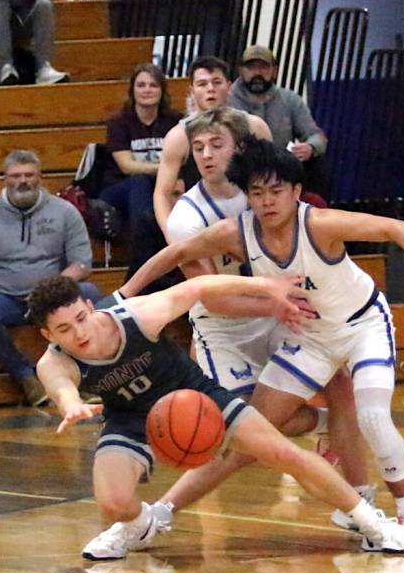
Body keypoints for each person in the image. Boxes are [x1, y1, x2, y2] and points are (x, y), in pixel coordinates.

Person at [123, 137, 404, 546]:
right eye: (257, 192)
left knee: (371, 415)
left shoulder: (320, 224)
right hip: (311, 337)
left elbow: (395, 227)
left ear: (296, 191)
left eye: (276, 190)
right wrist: (124, 296)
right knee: (248, 433)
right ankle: (160, 514)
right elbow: (177, 253)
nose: (267, 201)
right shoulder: (238, 232)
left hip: (362, 326)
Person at [30, 274, 404, 558]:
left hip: (195, 398)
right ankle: (138, 525)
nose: (79, 332)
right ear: (49, 335)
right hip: (130, 418)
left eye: (81, 318)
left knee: (284, 454)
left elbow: (198, 287)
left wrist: (267, 287)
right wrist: (71, 405)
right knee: (113, 501)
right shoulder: (52, 362)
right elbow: (60, 386)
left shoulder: (136, 317)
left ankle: (372, 523)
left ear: (88, 307)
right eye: (64, 329)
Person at [128, 108, 371, 527]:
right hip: (224, 327)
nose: (205, 154)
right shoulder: (188, 217)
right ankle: (325, 429)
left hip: (276, 313)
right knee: (244, 431)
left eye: (216, 145)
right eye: (198, 147)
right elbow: (212, 298)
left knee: (340, 382)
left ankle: (360, 502)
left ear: (238, 148)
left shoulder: (263, 191)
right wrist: (274, 301)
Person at [0, 149, 99, 407]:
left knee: (92, 295)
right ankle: (26, 378)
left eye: (29, 175)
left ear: (40, 177)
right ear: (5, 179)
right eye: (16, 175)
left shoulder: (65, 211)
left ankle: (83, 377)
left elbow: (82, 263)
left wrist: (52, 289)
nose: (23, 181)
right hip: (4, 297)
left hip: (53, 298)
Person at [152, 56, 271, 236]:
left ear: (229, 87)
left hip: (250, 214)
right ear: (192, 91)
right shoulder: (178, 136)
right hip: (202, 218)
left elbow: (275, 177)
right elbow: (161, 193)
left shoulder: (254, 126)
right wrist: (171, 235)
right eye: (202, 84)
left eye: (217, 82)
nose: (210, 89)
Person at [227, 44, 328, 194]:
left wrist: (310, 147)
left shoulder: (290, 99)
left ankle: (310, 213)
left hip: (282, 170)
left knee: (317, 164)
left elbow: (316, 135)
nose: (257, 73)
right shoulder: (228, 100)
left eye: (263, 67)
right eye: (251, 68)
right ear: (241, 71)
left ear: (275, 71)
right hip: (243, 170)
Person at [101, 63, 182, 240]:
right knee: (140, 182)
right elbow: (127, 166)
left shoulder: (175, 120)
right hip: (120, 187)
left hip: (162, 183)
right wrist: (166, 169)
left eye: (153, 85)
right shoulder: (119, 122)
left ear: (162, 91)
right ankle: (143, 245)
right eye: (141, 85)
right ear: (132, 91)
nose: (147, 90)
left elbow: (184, 159)